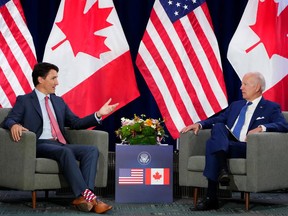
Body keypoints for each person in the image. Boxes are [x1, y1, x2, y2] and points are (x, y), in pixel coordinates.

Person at [2, 62, 119, 213]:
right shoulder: (25, 100)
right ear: (40, 79)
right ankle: (91, 198)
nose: (57, 82)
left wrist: (98, 114)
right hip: (39, 143)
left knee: (91, 150)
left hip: (60, 143)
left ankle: (84, 198)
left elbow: (75, 123)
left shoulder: (58, 101)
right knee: (66, 152)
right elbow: (9, 119)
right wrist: (13, 125)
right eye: (53, 78)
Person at [180, 72, 288, 211]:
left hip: (246, 146)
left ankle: (211, 197)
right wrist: (199, 125)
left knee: (211, 145)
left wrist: (262, 128)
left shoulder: (271, 107)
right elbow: (218, 119)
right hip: (228, 143)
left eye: (245, 84)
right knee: (218, 127)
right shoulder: (236, 105)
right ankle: (222, 168)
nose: (241, 87)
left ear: (257, 87)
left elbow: (283, 125)